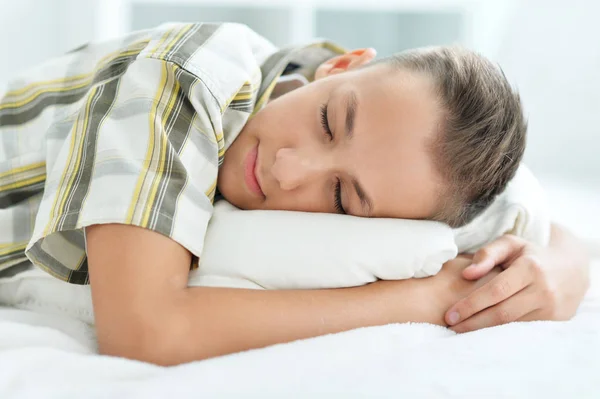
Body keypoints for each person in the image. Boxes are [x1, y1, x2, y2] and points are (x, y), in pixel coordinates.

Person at [0, 23, 590, 365]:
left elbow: (534, 218)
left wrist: (560, 269)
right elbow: (145, 332)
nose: (288, 169)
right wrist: (428, 298)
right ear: (339, 68)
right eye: (329, 121)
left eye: (342, 199)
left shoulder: (417, 168)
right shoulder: (180, 81)